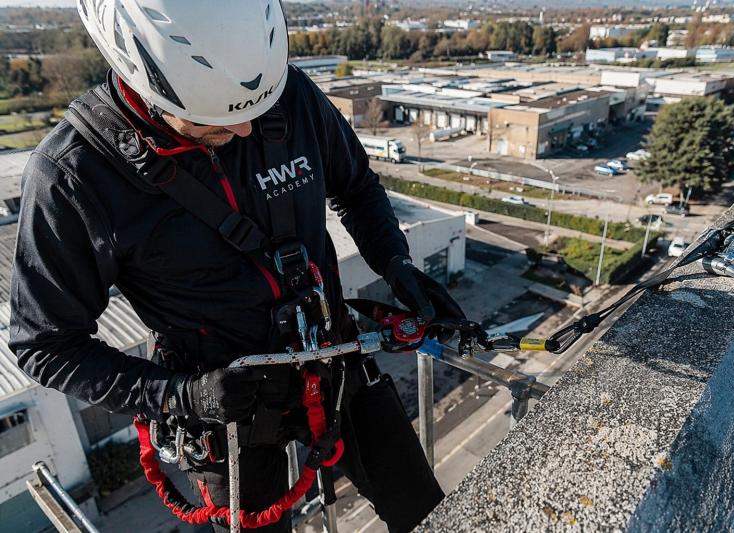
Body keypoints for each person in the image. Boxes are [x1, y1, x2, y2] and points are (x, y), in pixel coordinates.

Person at [8, 1, 468, 531]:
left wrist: (396, 263)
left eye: (253, 111)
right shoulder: (74, 176)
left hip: (332, 357)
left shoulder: (281, 94)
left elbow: (356, 186)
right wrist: (176, 395)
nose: (247, 130)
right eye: (218, 119)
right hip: (224, 407)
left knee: (433, 518)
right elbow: (44, 343)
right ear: (148, 87)